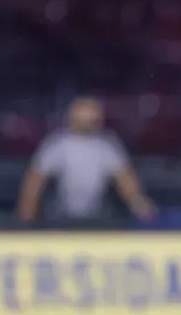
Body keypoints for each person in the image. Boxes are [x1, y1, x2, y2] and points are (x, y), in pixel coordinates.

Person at [16, 96, 156, 224]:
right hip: (59, 221)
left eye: (93, 112)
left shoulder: (107, 146)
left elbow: (129, 187)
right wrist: (25, 223)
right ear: (72, 114)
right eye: (83, 112)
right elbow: (33, 186)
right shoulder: (56, 144)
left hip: (98, 220)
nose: (89, 117)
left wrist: (148, 217)